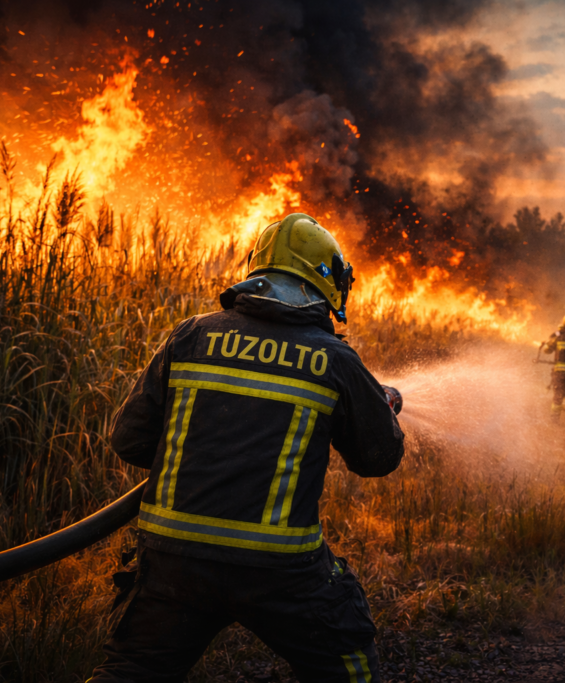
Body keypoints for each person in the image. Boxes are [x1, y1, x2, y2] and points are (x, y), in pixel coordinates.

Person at [90, 214, 405, 683]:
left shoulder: (191, 336)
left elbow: (130, 440)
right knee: (348, 668)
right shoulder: (334, 359)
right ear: (327, 281)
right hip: (282, 573)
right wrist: (377, 409)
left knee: (132, 671)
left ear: (257, 271)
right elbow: (377, 460)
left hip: (175, 562)